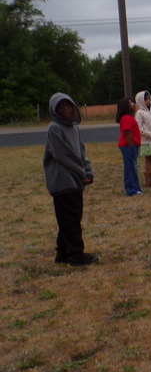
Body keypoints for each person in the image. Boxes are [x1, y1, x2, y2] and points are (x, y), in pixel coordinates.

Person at [43, 92, 98, 266]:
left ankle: (63, 254)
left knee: (68, 219)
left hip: (75, 179)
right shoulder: (54, 129)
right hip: (62, 181)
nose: (65, 109)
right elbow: (64, 155)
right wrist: (82, 172)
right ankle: (76, 255)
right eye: (60, 106)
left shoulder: (73, 128)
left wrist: (88, 171)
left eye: (68, 105)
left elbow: (81, 152)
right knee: (70, 219)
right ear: (54, 110)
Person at [116, 96, 143, 196]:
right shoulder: (127, 118)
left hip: (131, 145)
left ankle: (136, 187)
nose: (133, 104)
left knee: (133, 167)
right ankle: (131, 189)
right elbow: (127, 133)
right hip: (128, 146)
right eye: (131, 103)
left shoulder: (130, 117)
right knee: (130, 167)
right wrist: (131, 146)